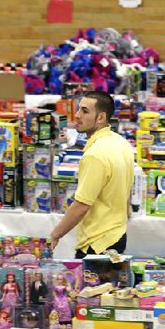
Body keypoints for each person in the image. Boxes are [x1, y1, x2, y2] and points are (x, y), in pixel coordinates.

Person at [50, 91, 134, 258]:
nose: (78, 115)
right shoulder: (121, 142)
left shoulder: (95, 155)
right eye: (79, 109)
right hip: (117, 235)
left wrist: (55, 235)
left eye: (85, 111)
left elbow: (81, 205)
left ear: (101, 117)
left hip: (96, 243)